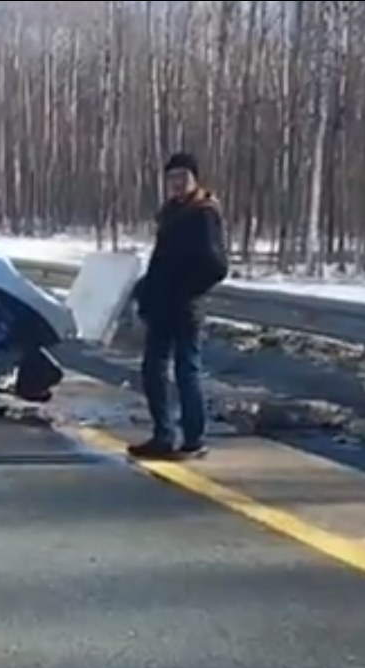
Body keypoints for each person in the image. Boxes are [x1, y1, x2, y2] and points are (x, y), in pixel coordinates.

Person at [129, 152, 229, 461]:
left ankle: (193, 438)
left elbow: (216, 266)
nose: (176, 184)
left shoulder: (203, 214)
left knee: (187, 372)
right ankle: (163, 434)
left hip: (185, 308)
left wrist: (185, 291)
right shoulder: (171, 212)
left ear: (194, 179)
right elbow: (162, 262)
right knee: (153, 371)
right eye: (171, 178)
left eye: (182, 177)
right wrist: (146, 291)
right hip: (161, 306)